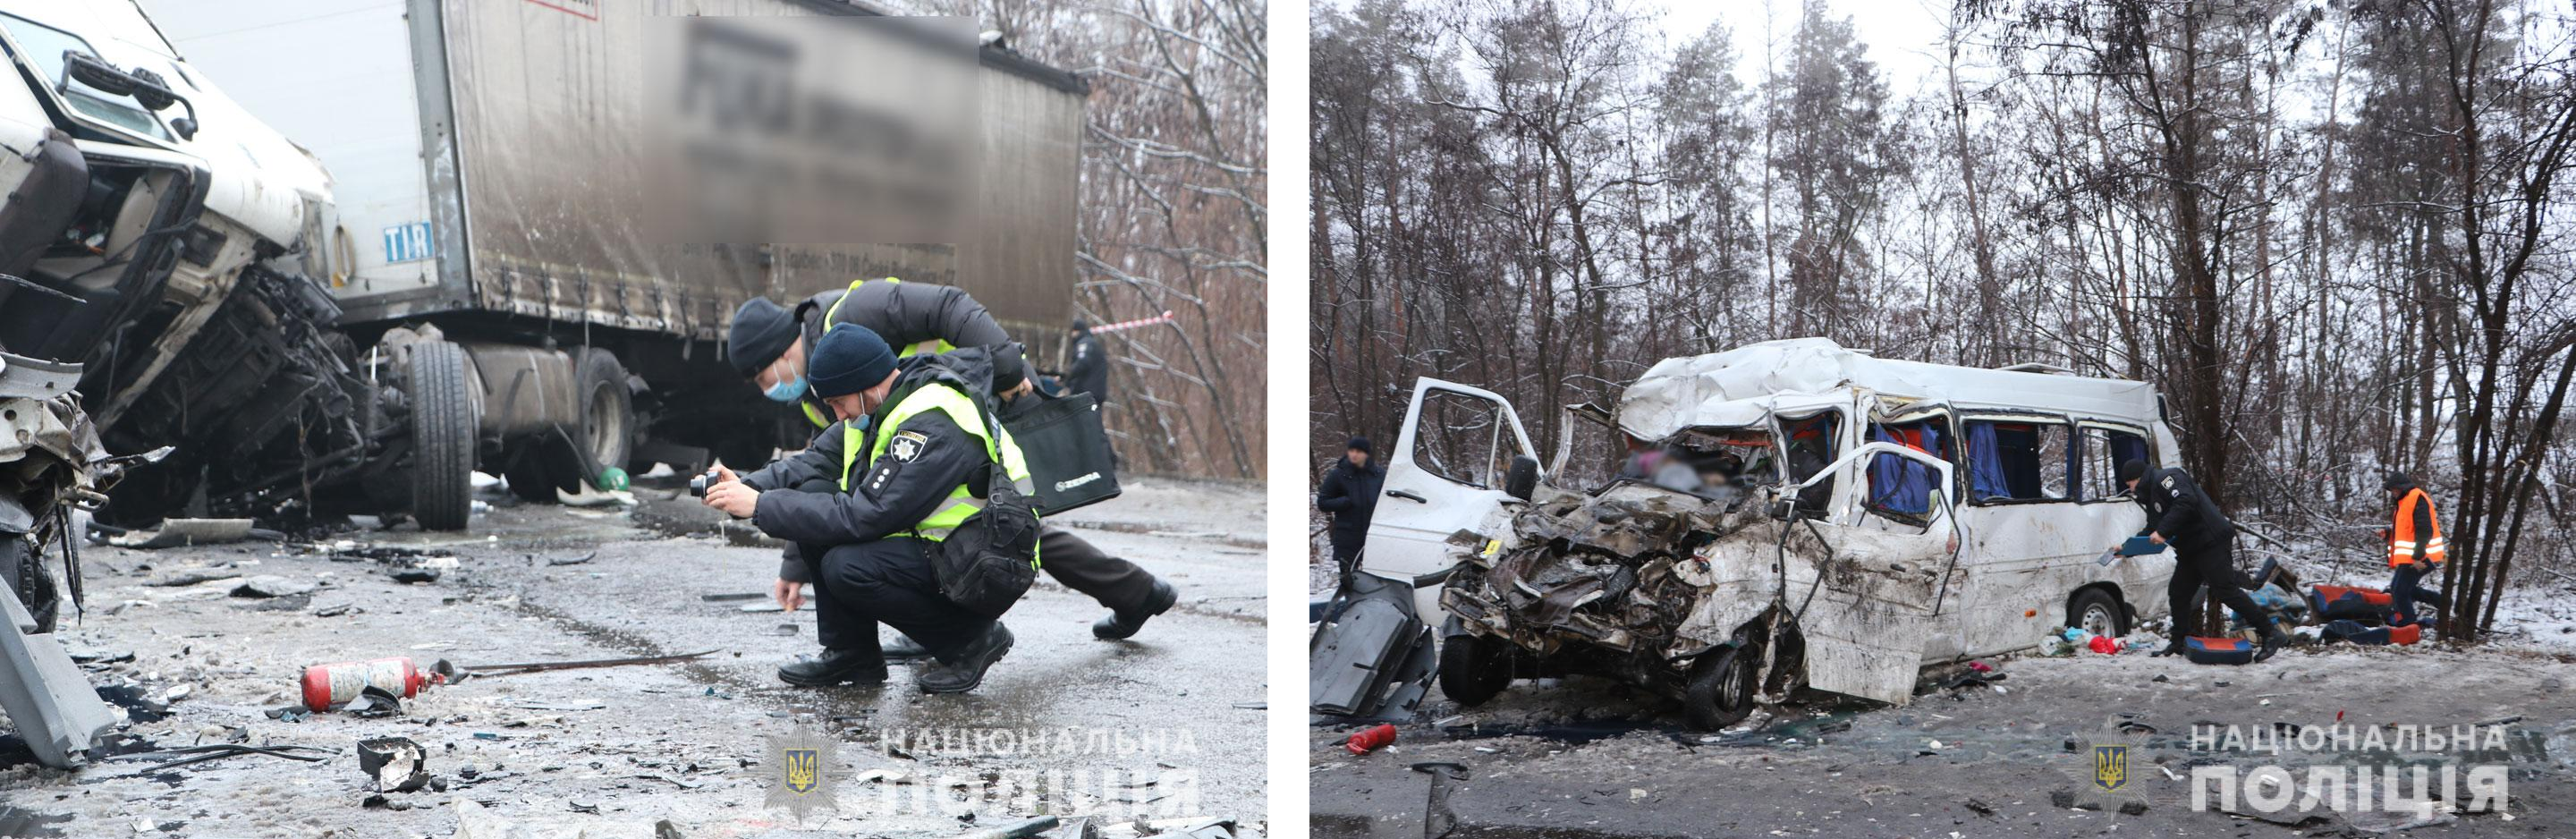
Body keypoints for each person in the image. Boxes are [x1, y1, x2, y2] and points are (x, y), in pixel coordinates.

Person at [730, 285, 1177, 652]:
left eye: (763, 380)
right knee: (988, 522)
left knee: (1001, 522)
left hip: (968, 400)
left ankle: (960, 629)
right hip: (940, 417)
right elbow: (830, 468)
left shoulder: (856, 313)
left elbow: (949, 304)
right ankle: (1135, 592)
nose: (769, 390)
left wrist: (1005, 371)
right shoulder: (825, 389)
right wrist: (794, 562)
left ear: (777, 355)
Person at [702, 326, 1017, 692]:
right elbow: (811, 464)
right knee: (813, 491)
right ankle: (853, 654)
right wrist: (745, 485)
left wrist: (760, 506)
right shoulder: (880, 406)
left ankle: (973, 640)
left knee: (848, 568)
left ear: (865, 385)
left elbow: (865, 516)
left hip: (988, 558)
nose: (837, 416)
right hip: (947, 545)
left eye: (838, 402)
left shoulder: (933, 420)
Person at [2118, 460, 2292, 662]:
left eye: (2129, 484)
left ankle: (2270, 633)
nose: (2129, 489)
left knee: (2226, 591)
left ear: (2136, 479)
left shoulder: (2167, 478)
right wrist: (2126, 548)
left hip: (2210, 541)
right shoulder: (2152, 497)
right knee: (2178, 592)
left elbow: (2186, 501)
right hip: (2191, 549)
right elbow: (2152, 529)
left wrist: (2163, 532)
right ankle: (2178, 641)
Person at [2381, 471, 2449, 627]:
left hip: (2421, 556)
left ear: (2402, 487)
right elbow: (2407, 532)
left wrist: (2418, 555)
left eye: (2394, 489)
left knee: (2400, 592)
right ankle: (2444, 604)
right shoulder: (2404, 502)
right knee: (2400, 589)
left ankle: (2408, 626)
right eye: (2391, 490)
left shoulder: (2416, 498)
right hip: (2413, 557)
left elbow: (2425, 529)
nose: (2393, 493)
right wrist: (2388, 535)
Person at [1315, 437, 1383, 585]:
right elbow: (1322, 502)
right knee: (1348, 581)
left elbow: (1387, 502)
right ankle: (1348, 605)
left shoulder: (1378, 475)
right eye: (1351, 451)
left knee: (1375, 581)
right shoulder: (1338, 475)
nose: (1354, 454)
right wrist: (1343, 502)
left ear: (1366, 454)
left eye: (1358, 451)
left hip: (1373, 536)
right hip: (1347, 536)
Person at [1065, 318, 1109, 404]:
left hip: (1087, 394)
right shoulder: (1092, 343)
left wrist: (1067, 376)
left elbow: (1082, 363)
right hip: (1093, 392)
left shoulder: (1084, 343)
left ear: (1076, 331)